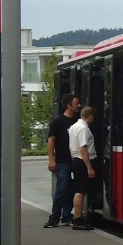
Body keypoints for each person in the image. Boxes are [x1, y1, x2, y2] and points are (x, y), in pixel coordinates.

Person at [44, 93, 81, 228]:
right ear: (68, 105)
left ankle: (66, 215)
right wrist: (51, 160)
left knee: (72, 189)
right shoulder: (57, 122)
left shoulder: (78, 121)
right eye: (76, 103)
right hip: (62, 161)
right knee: (62, 188)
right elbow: (51, 141)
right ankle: (54, 217)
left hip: (76, 160)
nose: (79, 106)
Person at [68, 106, 98, 231]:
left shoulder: (73, 127)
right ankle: (78, 220)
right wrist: (89, 167)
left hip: (76, 160)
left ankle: (78, 218)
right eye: (92, 118)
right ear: (90, 117)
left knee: (79, 190)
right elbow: (83, 148)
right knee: (81, 191)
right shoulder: (83, 128)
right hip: (82, 161)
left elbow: (71, 148)